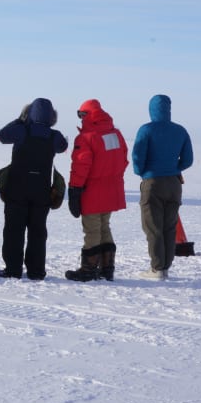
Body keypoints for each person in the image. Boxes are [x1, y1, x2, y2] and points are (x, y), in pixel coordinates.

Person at [0, 98, 68, 280]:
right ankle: (36, 271)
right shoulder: (54, 136)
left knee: (14, 230)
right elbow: (63, 147)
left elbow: (2, 135)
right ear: (52, 116)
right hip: (41, 191)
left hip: (16, 189)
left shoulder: (21, 130)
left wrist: (20, 120)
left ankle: (13, 269)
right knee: (38, 232)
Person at [64, 99, 129, 282]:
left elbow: (81, 166)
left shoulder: (87, 137)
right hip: (112, 189)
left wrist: (75, 189)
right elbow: (124, 159)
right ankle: (107, 268)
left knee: (92, 229)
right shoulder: (116, 134)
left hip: (92, 190)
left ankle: (88, 269)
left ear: (86, 115)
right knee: (104, 226)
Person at [131, 94, 193, 280]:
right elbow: (188, 160)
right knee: (169, 226)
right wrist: (173, 168)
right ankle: (165, 267)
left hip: (153, 182)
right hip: (174, 183)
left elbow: (137, 159)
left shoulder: (146, 130)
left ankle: (156, 268)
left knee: (153, 226)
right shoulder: (180, 131)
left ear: (151, 109)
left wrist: (143, 172)